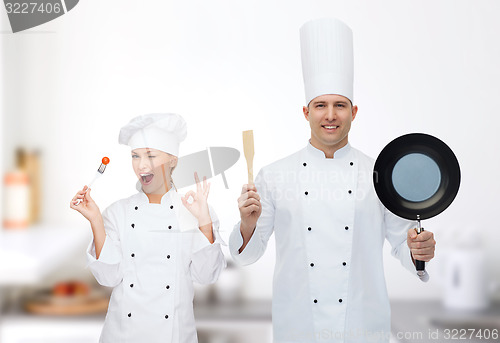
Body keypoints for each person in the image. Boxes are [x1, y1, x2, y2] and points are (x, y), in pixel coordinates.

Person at [229, 18, 436, 343]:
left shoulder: (379, 173)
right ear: (305, 112)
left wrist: (417, 249)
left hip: (362, 326)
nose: (330, 115)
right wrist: (246, 225)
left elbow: (401, 242)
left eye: (339, 105)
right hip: (298, 327)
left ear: (353, 112)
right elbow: (248, 255)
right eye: (320, 105)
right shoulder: (274, 175)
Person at [70, 113, 226, 343]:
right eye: (135, 156)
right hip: (122, 336)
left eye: (151, 155)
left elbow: (206, 276)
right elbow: (108, 277)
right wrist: (96, 221)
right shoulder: (117, 213)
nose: (142, 165)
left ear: (173, 159)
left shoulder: (195, 211)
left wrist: (204, 221)